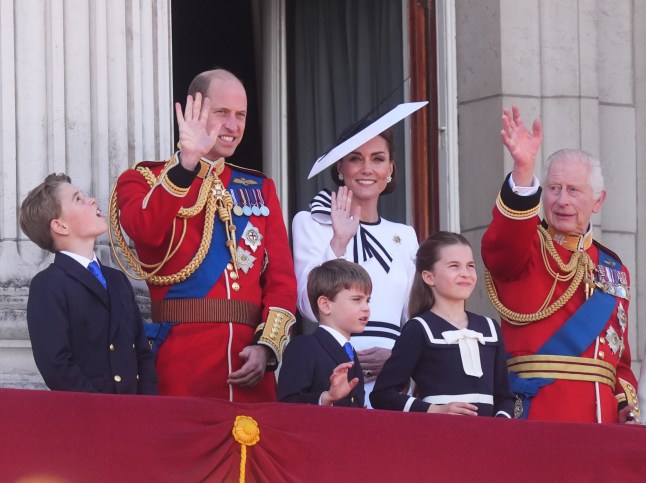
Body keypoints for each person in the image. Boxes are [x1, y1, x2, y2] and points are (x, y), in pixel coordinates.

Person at [113, 69, 297, 402]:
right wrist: (186, 165)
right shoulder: (143, 179)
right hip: (182, 366)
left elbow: (282, 280)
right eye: (222, 113)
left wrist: (266, 347)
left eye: (240, 115)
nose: (233, 125)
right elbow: (144, 231)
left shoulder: (259, 187)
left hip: (249, 369)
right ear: (194, 111)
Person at [481, 105, 640, 423]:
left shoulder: (612, 268)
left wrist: (625, 406)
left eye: (573, 190)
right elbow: (502, 245)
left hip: (603, 423)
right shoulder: (527, 251)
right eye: (553, 189)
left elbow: (618, 359)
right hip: (539, 413)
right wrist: (524, 170)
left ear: (598, 200)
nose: (561, 200)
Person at [292, 126, 419, 407]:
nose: (366, 169)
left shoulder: (406, 235)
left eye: (377, 159)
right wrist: (338, 240)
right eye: (355, 158)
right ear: (340, 167)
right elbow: (307, 303)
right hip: (334, 370)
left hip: (392, 375)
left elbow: (414, 317)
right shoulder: (312, 222)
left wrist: (399, 360)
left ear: (391, 169)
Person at [20, 173, 157, 394]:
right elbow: (57, 366)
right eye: (78, 199)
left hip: (135, 412)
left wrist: (146, 404)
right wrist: (100, 409)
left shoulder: (117, 279)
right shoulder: (48, 285)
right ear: (60, 226)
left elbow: (141, 350)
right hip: (89, 416)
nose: (92, 200)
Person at [370, 232, 514, 417]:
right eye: (454, 266)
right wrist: (433, 409)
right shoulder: (418, 328)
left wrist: (501, 422)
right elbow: (382, 394)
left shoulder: (489, 327)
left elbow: (504, 396)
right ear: (429, 277)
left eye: (470, 266)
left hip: (488, 439)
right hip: (440, 436)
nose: (465, 274)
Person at [278, 259, 370, 407]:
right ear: (325, 305)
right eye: (357, 300)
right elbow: (287, 405)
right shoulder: (304, 347)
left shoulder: (350, 352)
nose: (366, 308)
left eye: (368, 300)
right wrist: (325, 398)